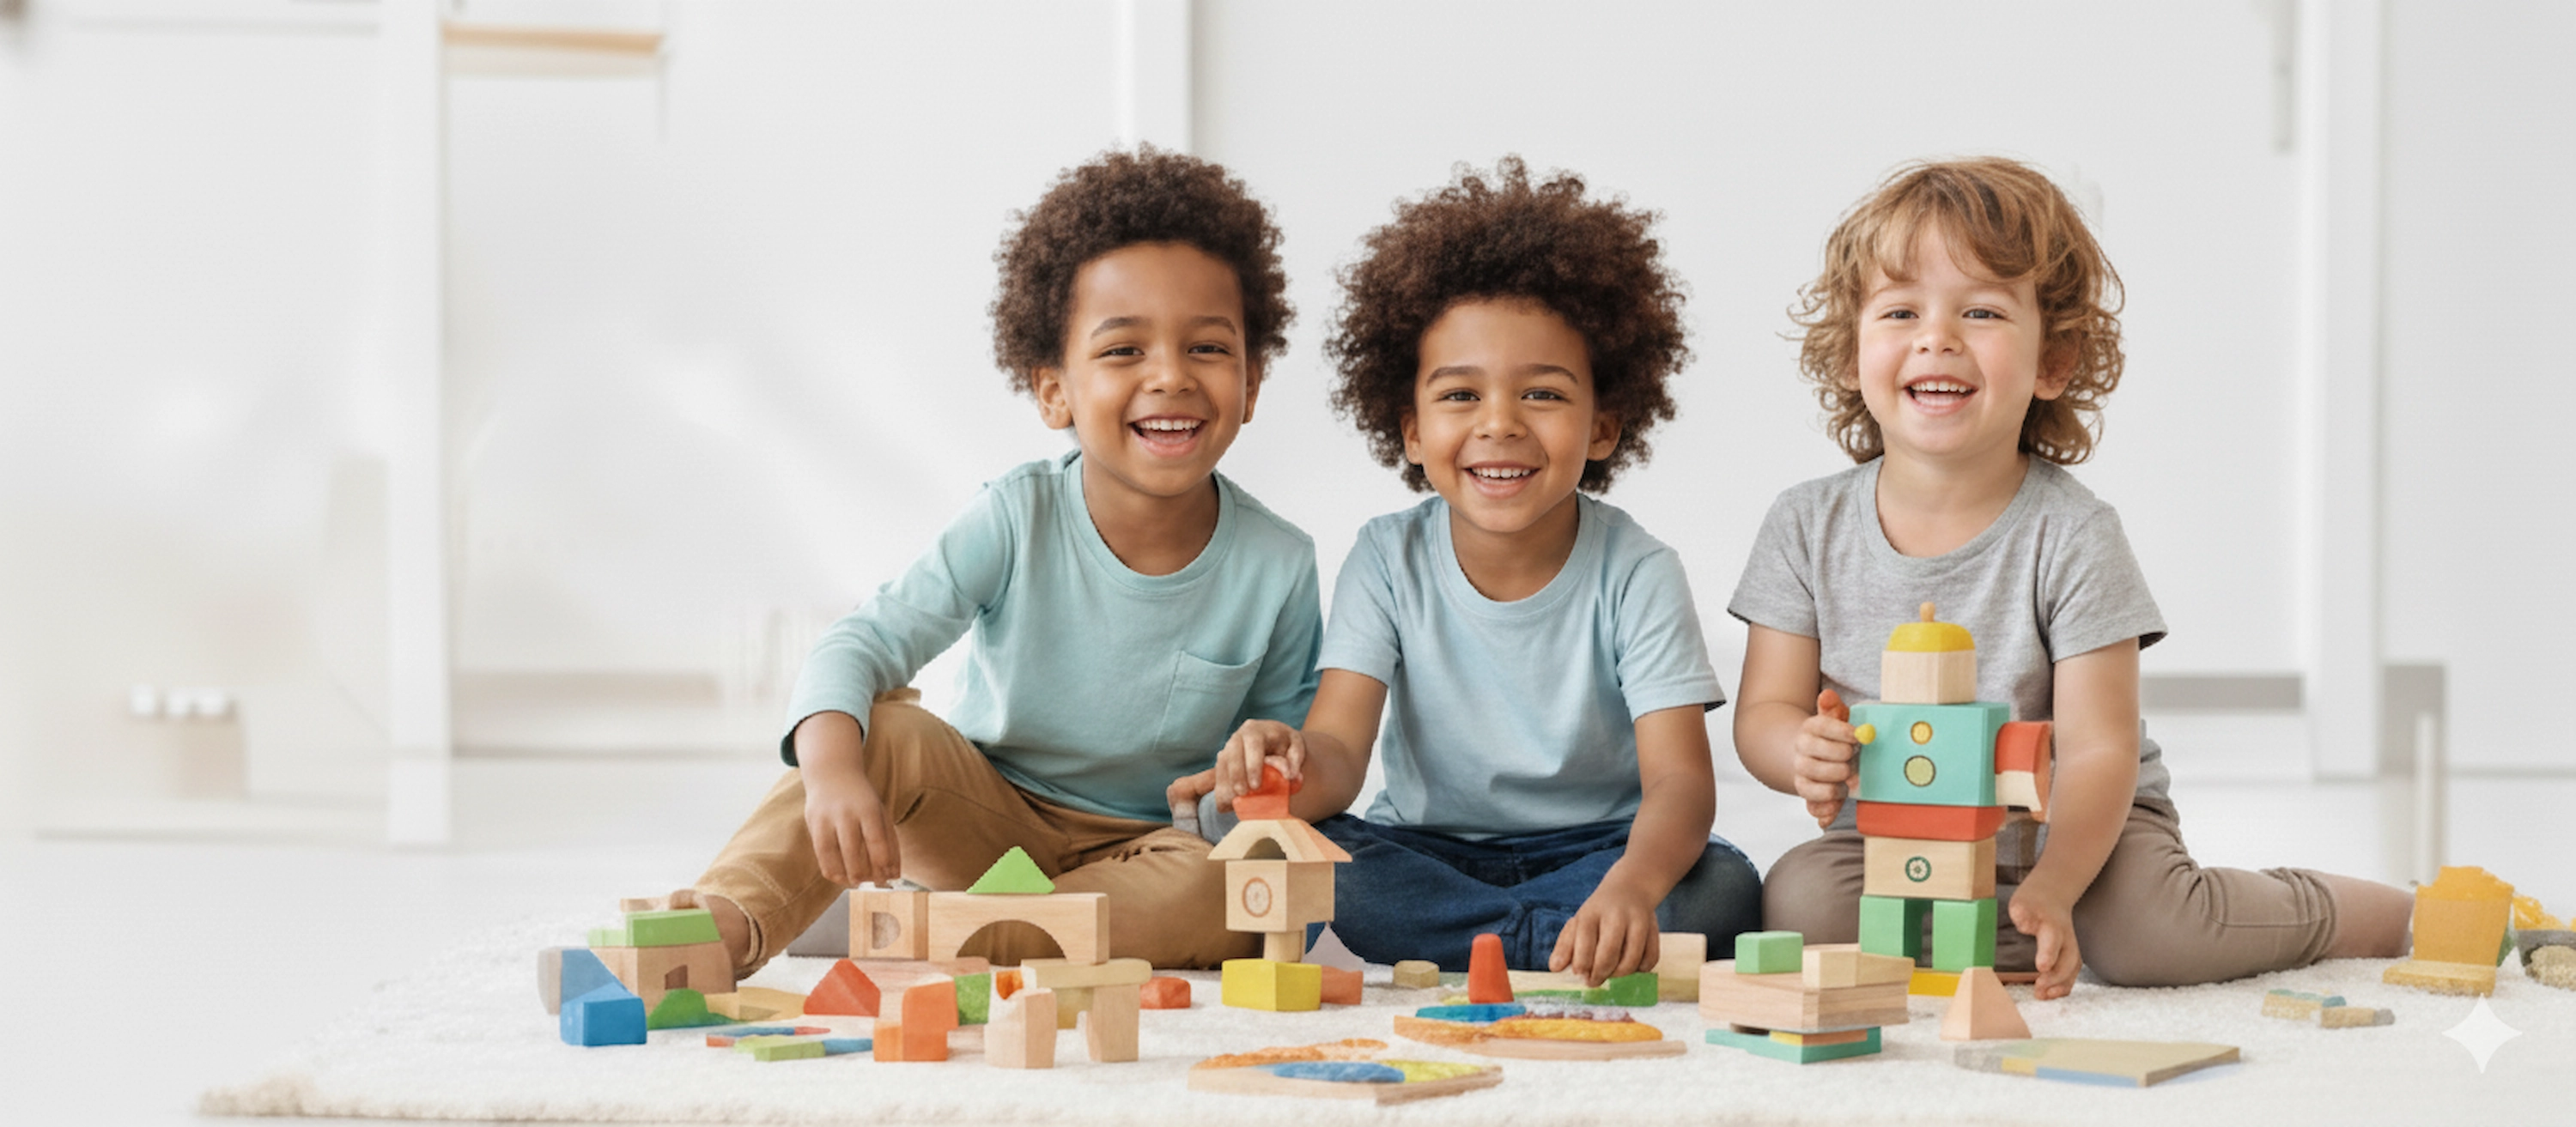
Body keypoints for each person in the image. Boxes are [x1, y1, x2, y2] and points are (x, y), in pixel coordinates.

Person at [1733, 157, 2411, 998]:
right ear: (1850, 352)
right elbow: (1765, 709)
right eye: (1901, 310)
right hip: (1898, 828)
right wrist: (1799, 749)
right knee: (1801, 902)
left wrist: (2056, 881)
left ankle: (2376, 912)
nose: (1936, 336)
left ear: (2052, 361)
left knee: (2147, 934)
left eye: (1980, 311)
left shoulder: (2075, 533)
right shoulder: (1805, 524)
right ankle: (2009, 935)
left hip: (2083, 826)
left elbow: (2098, 749)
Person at [678, 148, 1321, 974]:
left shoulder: (1280, 562)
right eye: (1124, 351)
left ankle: (932, 927)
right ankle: (723, 923)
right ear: (1055, 391)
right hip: (983, 817)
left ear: (1252, 383)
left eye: (1207, 348)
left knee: (1235, 892)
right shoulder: (1015, 516)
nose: (1170, 376)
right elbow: (858, 645)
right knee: (887, 728)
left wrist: (1268, 754)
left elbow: (1280, 770)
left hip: (1146, 853)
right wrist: (834, 771)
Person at [1173, 158, 1762, 984]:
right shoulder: (1386, 556)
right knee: (1320, 862)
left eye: (1544, 395)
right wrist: (1277, 779)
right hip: (1426, 854)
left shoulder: (1637, 569)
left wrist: (1631, 885)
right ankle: (1549, 943)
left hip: (1598, 849)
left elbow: (1678, 784)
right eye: (1459, 397)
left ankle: (1513, 937)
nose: (1500, 425)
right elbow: (1341, 750)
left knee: (1723, 886)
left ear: (1604, 424)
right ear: (1410, 429)